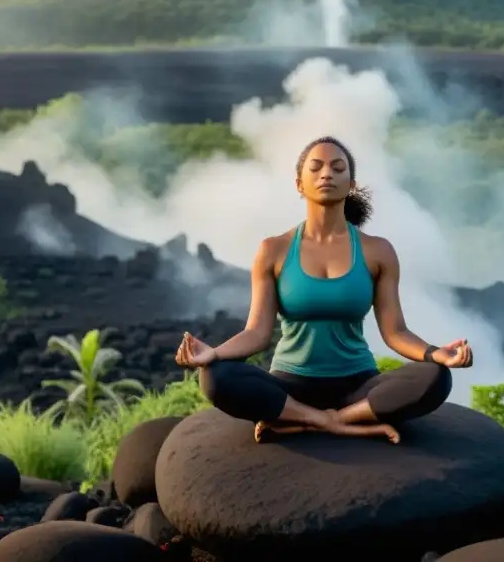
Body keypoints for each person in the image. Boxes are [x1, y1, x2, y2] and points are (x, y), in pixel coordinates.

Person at [175, 135, 474, 443]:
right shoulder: (274, 250)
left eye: (338, 167)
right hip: (290, 387)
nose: (326, 174)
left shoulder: (377, 251)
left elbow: (395, 331)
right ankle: (334, 421)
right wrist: (212, 354)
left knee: (436, 376)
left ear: (352, 184)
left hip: (358, 387)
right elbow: (257, 334)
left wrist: (436, 353)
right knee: (215, 376)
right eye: (315, 167)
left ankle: (324, 421)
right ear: (299, 184)